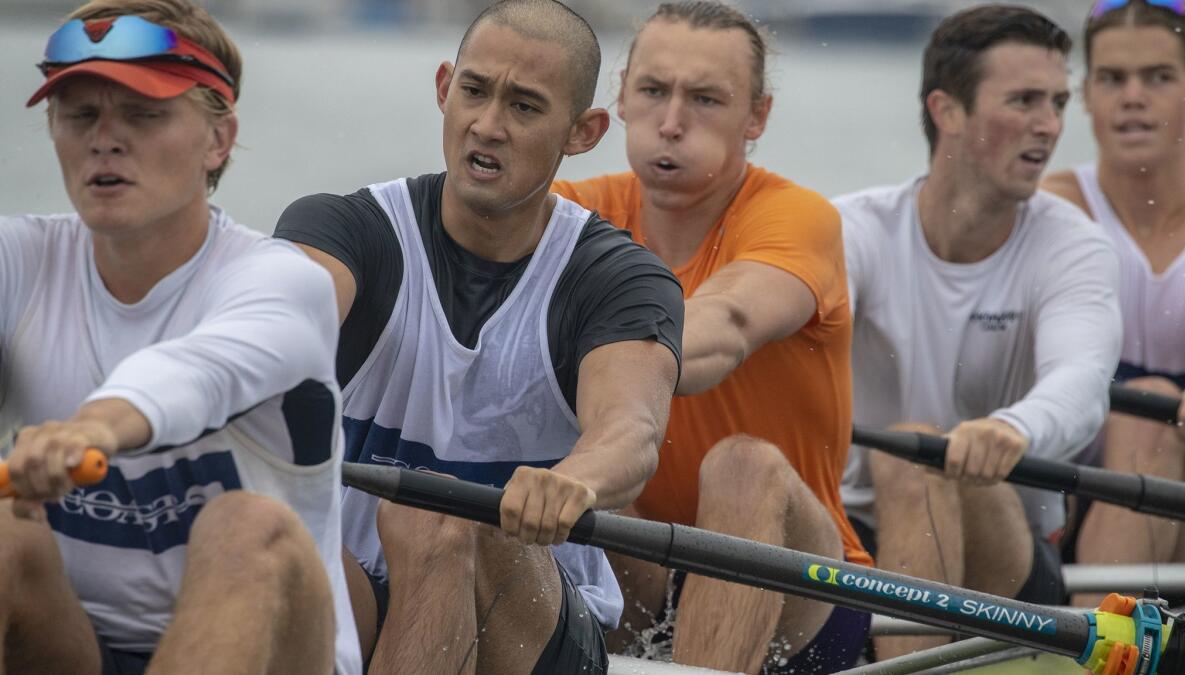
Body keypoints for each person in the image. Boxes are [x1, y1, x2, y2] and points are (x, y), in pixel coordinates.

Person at [273, 0, 685, 672]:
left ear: (582, 132)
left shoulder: (616, 279)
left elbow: (630, 429)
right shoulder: (342, 230)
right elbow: (267, 335)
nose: (486, 125)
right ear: (444, 88)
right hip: (356, 589)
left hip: (536, 620)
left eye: (524, 107)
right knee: (260, 531)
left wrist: (576, 480)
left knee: (433, 516)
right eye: (473, 91)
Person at [0, 1, 360, 674]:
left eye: (143, 113)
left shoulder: (280, 283)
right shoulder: (19, 259)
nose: (104, 139)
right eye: (80, 115)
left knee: (246, 527)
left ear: (219, 140)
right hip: (76, 644)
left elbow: (196, 373)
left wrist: (94, 428)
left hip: (278, 648)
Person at [554, 3, 872, 672]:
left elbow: (725, 323)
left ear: (755, 117)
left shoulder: (796, 216)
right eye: (653, 91)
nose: (671, 122)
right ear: (620, 98)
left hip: (801, 587)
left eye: (704, 99)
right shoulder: (568, 212)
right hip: (638, 564)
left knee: (741, 463)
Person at [834, 4, 1123, 660]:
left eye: (1056, 102)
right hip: (848, 538)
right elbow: (790, 328)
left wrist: (1012, 429)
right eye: (1023, 101)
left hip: (1011, 550)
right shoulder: (851, 230)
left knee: (916, 453)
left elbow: (1082, 381)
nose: (1050, 126)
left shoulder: (1072, 246)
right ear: (948, 111)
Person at [1042, 0, 1185, 607]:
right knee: (1153, 407)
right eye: (1112, 79)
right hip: (1078, 493)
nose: (1133, 97)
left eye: (1158, 77)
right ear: (1086, 95)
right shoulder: (1053, 208)